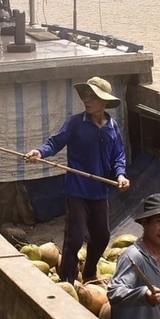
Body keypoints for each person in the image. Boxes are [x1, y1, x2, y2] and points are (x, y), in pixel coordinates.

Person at [24, 77, 130, 284]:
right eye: (85, 96)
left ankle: (89, 272)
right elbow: (55, 143)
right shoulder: (75, 123)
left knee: (102, 237)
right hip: (77, 192)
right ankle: (68, 281)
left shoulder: (113, 127)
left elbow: (118, 156)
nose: (86, 100)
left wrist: (121, 175)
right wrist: (39, 152)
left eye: (92, 97)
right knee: (74, 238)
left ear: (104, 102)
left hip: (100, 193)